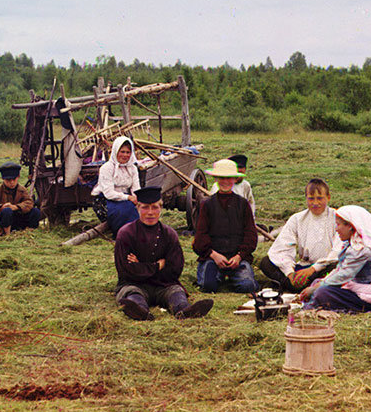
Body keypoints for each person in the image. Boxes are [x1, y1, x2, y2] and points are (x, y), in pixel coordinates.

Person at [114, 186, 214, 321]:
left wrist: (141, 265)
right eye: (145, 207)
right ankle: (141, 312)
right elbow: (126, 271)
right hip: (134, 284)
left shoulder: (169, 234)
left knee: (176, 292)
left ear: (161, 208)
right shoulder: (126, 233)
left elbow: (175, 269)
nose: (150, 212)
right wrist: (157, 266)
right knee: (132, 294)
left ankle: (184, 311)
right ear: (137, 208)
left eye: (155, 207)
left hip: (164, 284)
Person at [299, 205, 371, 314]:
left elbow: (343, 275)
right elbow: (339, 269)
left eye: (338, 225)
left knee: (322, 292)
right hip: (356, 287)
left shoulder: (361, 250)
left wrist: (315, 289)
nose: (336, 229)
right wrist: (318, 284)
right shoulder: (351, 245)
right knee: (317, 283)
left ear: (350, 226)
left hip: (368, 296)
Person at [259, 178, 342, 292]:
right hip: (303, 267)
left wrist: (313, 269)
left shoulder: (337, 218)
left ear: (328, 197)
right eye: (311, 198)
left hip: (323, 268)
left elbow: (338, 251)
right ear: (306, 198)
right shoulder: (297, 219)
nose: (315, 203)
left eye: (320, 198)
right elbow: (283, 247)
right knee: (266, 262)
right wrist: (290, 273)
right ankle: (293, 283)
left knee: (337, 266)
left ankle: (290, 286)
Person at [193, 158, 259, 293]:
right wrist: (213, 254)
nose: (225, 182)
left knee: (248, 286)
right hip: (213, 258)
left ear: (235, 179)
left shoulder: (243, 204)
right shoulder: (207, 205)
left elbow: (251, 235)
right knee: (208, 286)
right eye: (222, 178)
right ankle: (217, 275)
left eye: (229, 178)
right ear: (216, 178)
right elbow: (200, 236)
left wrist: (239, 256)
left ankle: (232, 275)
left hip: (237, 259)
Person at [91, 136, 141, 237]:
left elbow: (136, 188)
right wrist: (128, 197)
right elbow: (109, 193)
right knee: (123, 211)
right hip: (104, 199)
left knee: (136, 209)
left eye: (128, 152)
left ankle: (136, 235)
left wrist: (137, 199)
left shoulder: (132, 168)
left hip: (124, 198)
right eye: (122, 152)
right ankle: (122, 235)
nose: (125, 155)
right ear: (115, 152)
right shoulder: (107, 168)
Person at [0, 161, 41, 237]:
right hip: (2, 223)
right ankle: (7, 234)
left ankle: (29, 232)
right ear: (3, 179)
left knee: (35, 211)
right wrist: (1, 207)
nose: (12, 182)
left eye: (14, 179)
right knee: (7, 211)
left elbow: (29, 203)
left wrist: (16, 207)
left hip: (19, 220)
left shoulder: (22, 190)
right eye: (8, 180)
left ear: (18, 177)